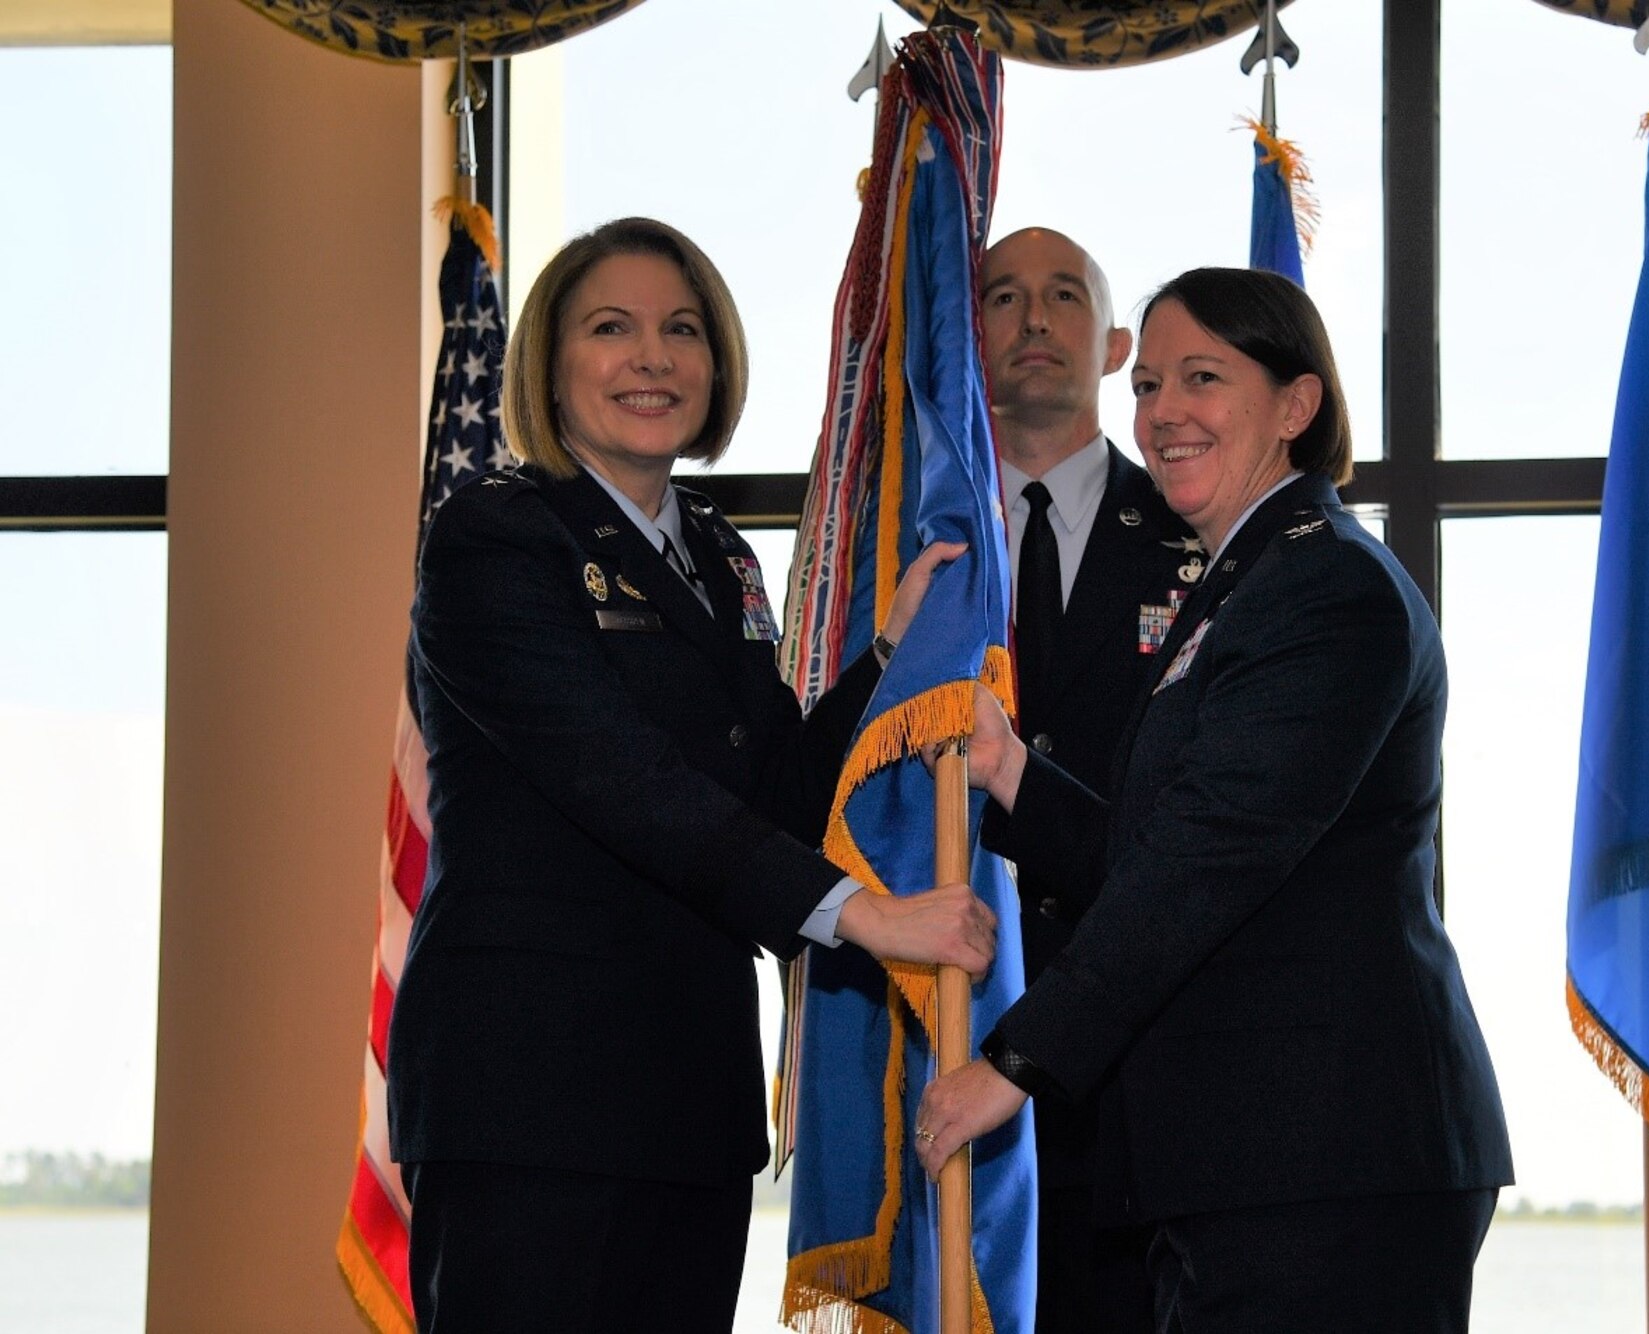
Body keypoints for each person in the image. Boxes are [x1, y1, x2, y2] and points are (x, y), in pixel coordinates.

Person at [387, 216, 996, 1333]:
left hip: (684, 1102)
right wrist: (866, 917)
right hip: (529, 1101)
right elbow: (627, 784)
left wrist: (880, 660)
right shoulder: (490, 538)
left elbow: (769, 788)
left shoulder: (719, 554)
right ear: (548, 364)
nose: (651, 358)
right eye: (610, 328)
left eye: (680, 330)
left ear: (715, 363)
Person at [917, 267, 1513, 1331]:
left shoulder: (1324, 585)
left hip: (1326, 1156)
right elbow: (1148, 851)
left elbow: (1207, 857)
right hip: (1249, 1158)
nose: (1161, 414)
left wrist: (1014, 1058)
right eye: (1146, 384)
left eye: (1201, 377)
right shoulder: (1238, 587)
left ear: (1295, 405)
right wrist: (1008, 769)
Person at [977, 226, 1199, 1332]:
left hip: (1144, 1055)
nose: (1031, 320)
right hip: (957, 1027)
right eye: (1002, 296)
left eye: (1062, 296)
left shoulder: (1200, 534)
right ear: (967, 341)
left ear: (1113, 346)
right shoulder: (912, 543)